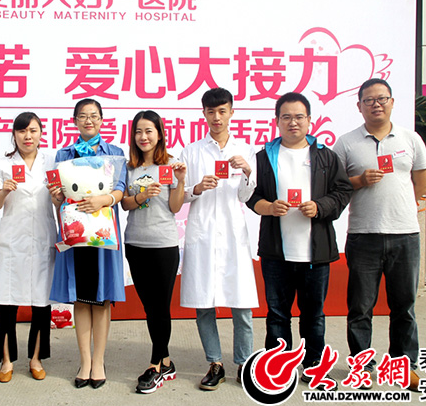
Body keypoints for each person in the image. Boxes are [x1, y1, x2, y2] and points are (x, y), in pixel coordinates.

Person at [247, 92, 352, 389]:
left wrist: (320, 207)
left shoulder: (325, 156)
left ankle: (314, 366)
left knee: (313, 315)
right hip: (276, 252)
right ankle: (277, 368)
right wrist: (269, 207)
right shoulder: (263, 157)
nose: (293, 122)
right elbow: (251, 195)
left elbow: (343, 191)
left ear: (309, 120)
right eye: (286, 117)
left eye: (298, 117)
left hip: (315, 252)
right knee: (277, 315)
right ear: (277, 121)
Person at [333, 78, 426, 392]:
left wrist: (404, 206)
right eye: (369, 100)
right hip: (364, 235)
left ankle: (404, 365)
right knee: (360, 307)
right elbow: (336, 185)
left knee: (404, 305)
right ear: (359, 105)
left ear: (391, 102)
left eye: (382, 98)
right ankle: (362, 365)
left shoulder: (410, 138)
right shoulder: (346, 143)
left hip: (405, 234)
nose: (376, 104)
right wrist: (360, 180)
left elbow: (422, 181)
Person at [179, 88, 258, 391]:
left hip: (233, 235)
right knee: (204, 305)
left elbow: (246, 196)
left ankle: (244, 362)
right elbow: (181, 194)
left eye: (222, 111)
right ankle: (215, 363)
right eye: (211, 112)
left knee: (242, 305)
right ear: (204, 114)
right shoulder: (192, 151)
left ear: (231, 112)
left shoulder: (244, 149)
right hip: (203, 234)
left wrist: (247, 170)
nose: (216, 117)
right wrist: (198, 188)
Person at [49, 98, 126, 389]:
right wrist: (56, 196)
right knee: (81, 299)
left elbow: (121, 190)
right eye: (82, 116)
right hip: (76, 233)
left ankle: (99, 362)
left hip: (103, 233)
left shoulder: (115, 153)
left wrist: (103, 200)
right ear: (74, 121)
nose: (88, 121)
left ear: (102, 120)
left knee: (102, 297)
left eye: (93, 116)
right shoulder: (64, 154)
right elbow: (60, 197)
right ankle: (84, 362)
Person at [0, 112, 56, 383]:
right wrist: (4, 190)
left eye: (33, 130)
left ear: (41, 133)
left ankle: (36, 358)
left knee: (41, 302)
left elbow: (61, 200)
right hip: (13, 241)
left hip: (42, 238)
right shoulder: (3, 165)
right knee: (7, 301)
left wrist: (59, 195)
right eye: (22, 131)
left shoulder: (51, 162)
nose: (28, 136)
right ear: (14, 134)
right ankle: (6, 361)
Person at [121, 110, 186, 394]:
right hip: (135, 243)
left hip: (163, 245)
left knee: (160, 306)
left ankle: (155, 366)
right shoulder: (129, 167)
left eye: (149, 131)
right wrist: (141, 196)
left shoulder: (170, 164)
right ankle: (167, 361)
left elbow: (174, 207)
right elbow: (124, 204)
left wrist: (180, 181)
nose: (143, 136)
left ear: (159, 134)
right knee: (150, 307)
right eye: (138, 131)